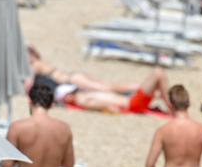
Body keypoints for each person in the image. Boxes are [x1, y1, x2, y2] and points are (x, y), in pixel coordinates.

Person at [27, 46, 172, 115]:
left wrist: (105, 108)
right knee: (110, 87)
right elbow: (94, 103)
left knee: (109, 88)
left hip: (73, 80)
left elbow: (92, 103)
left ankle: (169, 102)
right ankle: (170, 102)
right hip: (133, 103)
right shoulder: (82, 97)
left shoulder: (36, 65)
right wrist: (106, 108)